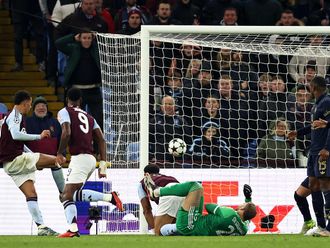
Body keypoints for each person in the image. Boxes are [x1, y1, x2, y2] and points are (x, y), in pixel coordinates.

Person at [55, 87, 124, 238]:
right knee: (70, 195)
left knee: (66, 195)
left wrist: (60, 152)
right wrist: (103, 163)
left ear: (67, 99)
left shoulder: (64, 111)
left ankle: (74, 228)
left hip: (80, 157)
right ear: (80, 101)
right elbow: (101, 139)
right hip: (91, 159)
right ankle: (74, 228)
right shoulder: (89, 116)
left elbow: (66, 132)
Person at [0, 90, 64, 236]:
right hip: (16, 159)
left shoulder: (13, 117)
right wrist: (39, 136)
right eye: (29, 104)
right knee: (55, 161)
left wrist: (32, 157)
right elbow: (16, 135)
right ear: (25, 103)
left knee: (31, 194)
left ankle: (41, 227)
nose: (30, 107)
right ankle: (64, 194)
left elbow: (18, 142)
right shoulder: (16, 116)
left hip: (10, 164)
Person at [143, 176, 256, 236]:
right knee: (164, 230)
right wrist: (248, 198)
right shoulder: (243, 230)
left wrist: (218, 210)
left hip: (189, 225)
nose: (241, 203)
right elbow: (247, 220)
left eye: (244, 203)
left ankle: (156, 192)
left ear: (242, 208)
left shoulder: (229, 213)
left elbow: (209, 207)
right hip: (196, 229)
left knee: (195, 186)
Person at [288, 76, 330, 237]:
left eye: (309, 87)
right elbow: (315, 125)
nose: (308, 90)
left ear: (314, 88)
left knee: (325, 187)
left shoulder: (327, 101)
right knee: (313, 187)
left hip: (323, 153)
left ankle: (328, 229)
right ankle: (320, 225)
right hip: (314, 153)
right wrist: (298, 133)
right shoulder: (317, 104)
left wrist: (327, 148)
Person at [55, 31, 103, 131]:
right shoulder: (73, 48)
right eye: (84, 38)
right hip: (76, 91)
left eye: (89, 38)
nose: (87, 40)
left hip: (94, 89)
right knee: (74, 120)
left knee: (98, 119)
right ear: (79, 39)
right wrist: (72, 37)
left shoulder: (96, 49)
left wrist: (97, 38)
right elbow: (58, 43)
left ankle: (97, 144)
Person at [25, 96, 65, 194]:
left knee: (56, 164)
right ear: (33, 109)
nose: (41, 108)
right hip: (33, 161)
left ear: (47, 108)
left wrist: (62, 154)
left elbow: (61, 139)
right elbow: (23, 141)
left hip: (53, 161)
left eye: (43, 105)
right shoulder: (27, 122)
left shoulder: (54, 122)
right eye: (38, 106)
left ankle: (63, 193)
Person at [138, 164, 183, 235]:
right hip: (183, 193)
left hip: (168, 195)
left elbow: (147, 210)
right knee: (174, 227)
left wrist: (154, 230)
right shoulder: (169, 177)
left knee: (159, 232)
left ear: (145, 174)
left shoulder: (142, 182)